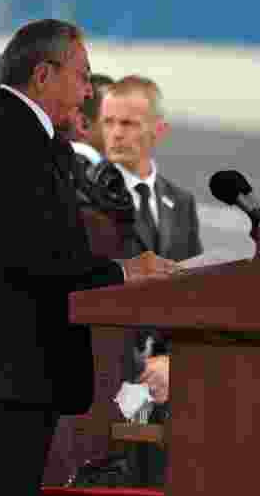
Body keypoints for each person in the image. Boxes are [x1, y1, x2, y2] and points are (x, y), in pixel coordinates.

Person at [0, 19, 178, 496]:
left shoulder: (25, 135)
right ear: (44, 75)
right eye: (82, 75)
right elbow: (33, 254)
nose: (88, 90)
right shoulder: (6, 135)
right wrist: (124, 272)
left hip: (15, 372)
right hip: (7, 371)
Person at [100, 74, 203, 406]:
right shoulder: (88, 198)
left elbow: (193, 292)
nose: (116, 133)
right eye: (108, 122)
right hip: (112, 377)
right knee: (123, 454)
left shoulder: (181, 202)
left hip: (168, 377)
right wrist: (140, 367)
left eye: (128, 123)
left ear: (159, 130)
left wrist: (175, 363)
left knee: (166, 457)